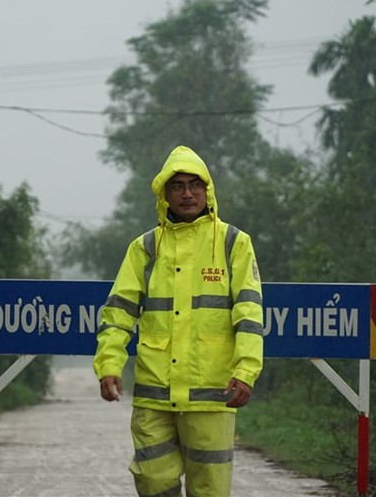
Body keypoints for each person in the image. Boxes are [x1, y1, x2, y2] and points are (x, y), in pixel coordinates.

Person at [94, 145, 263, 497]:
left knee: (210, 489)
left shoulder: (234, 243)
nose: (187, 193)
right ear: (164, 194)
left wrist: (246, 371)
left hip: (213, 395)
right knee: (152, 482)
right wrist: (109, 364)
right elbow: (119, 312)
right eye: (177, 186)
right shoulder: (145, 247)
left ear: (207, 190)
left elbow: (249, 313)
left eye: (194, 185)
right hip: (155, 394)